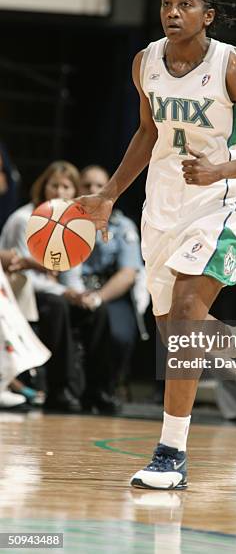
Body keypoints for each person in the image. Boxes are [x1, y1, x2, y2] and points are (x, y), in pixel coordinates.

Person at [78, 0, 236, 490]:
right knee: (177, 332)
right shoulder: (146, 62)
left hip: (220, 203)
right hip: (164, 206)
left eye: (186, 4)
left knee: (186, 319)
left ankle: (171, 454)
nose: (173, 12)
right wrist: (108, 195)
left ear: (208, 16)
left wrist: (221, 170)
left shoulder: (231, 67)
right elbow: (149, 133)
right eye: (166, 3)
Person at [0, 161, 120, 413]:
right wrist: (66, 293)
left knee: (96, 311)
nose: (59, 192)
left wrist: (80, 295)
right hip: (24, 296)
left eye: (66, 187)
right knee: (57, 307)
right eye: (54, 185)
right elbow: (23, 275)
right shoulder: (24, 219)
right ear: (43, 187)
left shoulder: (75, 222)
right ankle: (60, 389)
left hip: (57, 292)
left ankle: (99, 391)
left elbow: (71, 272)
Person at [79, 165, 146, 391]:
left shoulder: (122, 225)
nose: (93, 189)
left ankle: (106, 390)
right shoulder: (64, 222)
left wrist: (98, 297)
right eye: (87, 185)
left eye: (99, 185)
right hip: (72, 290)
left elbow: (127, 274)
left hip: (110, 293)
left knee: (118, 335)